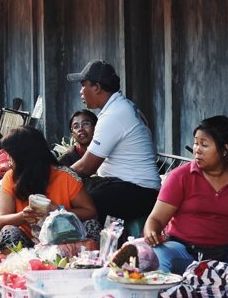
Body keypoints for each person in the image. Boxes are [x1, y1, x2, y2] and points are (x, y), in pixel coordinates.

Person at [141, 115, 228, 273]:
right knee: (157, 255)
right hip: (183, 251)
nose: (197, 150)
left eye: (204, 145)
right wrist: (151, 232)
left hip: (227, 252)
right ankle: (165, 297)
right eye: (196, 143)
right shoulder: (180, 176)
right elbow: (156, 219)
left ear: (224, 149)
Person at [66, 60, 161, 221]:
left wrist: (56, 178)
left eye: (84, 85)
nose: (81, 92)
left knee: (81, 206)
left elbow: (86, 167)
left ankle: (88, 245)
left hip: (138, 190)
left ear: (96, 87)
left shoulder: (114, 114)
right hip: (128, 186)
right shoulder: (120, 106)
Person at [0, 127, 97, 249]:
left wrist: (58, 211)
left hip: (66, 240)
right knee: (8, 231)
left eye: (11, 156)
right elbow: (0, 221)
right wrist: (23, 216)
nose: (9, 161)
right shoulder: (10, 177)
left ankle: (86, 264)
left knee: (92, 225)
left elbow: (91, 212)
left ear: (24, 157)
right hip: (28, 243)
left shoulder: (65, 177)